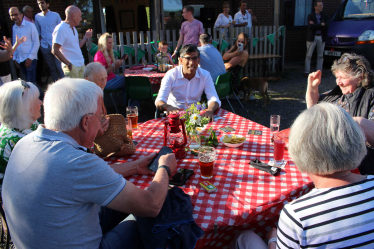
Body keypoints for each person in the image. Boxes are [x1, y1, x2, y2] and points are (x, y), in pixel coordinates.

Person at [2, 78, 177, 248]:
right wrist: (164, 168)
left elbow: (88, 177)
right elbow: (150, 205)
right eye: (100, 117)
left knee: (121, 197)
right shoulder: (77, 162)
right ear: (86, 122)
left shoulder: (24, 142)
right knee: (144, 220)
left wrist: (135, 166)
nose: (102, 122)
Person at [230, 102, 373, 249]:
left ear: (300, 151)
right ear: (356, 139)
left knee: (244, 237)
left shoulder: (297, 215)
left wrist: (273, 240)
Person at [306, 53, 374, 174]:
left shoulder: (370, 96)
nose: (338, 82)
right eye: (337, 77)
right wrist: (312, 87)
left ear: (360, 76)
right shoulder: (338, 93)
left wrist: (356, 122)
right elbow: (313, 110)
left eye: (342, 77)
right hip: (329, 159)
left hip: (358, 167)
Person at [155, 44, 221, 120]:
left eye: (194, 58)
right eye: (188, 58)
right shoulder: (171, 75)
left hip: (196, 117)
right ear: (181, 60)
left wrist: (209, 110)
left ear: (198, 60)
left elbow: (213, 98)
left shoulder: (205, 75)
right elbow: (159, 100)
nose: (192, 62)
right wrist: (168, 107)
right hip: (174, 116)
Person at [0, 80, 42, 188]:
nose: (41, 102)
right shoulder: (16, 140)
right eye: (36, 100)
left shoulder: (26, 124)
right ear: (25, 108)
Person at [52, 6, 92, 78]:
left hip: (80, 64)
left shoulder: (73, 28)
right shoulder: (60, 29)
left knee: (83, 88)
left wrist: (85, 38)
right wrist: (69, 64)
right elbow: (54, 50)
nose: (81, 19)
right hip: (72, 66)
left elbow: (76, 46)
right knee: (75, 89)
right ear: (73, 16)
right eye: (79, 16)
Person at [9, 7, 40, 85]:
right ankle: (40, 96)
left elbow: (36, 42)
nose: (14, 17)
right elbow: (15, 43)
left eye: (16, 14)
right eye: (11, 15)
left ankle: (39, 96)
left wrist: (30, 58)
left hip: (30, 59)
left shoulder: (30, 25)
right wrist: (15, 58)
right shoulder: (14, 27)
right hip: (20, 60)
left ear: (21, 15)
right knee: (29, 83)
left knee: (31, 83)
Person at [35, 0, 64, 82]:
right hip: (44, 45)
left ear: (47, 4)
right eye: (39, 3)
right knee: (52, 67)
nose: (41, 5)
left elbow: (61, 30)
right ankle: (56, 84)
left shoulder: (55, 15)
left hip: (56, 45)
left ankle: (65, 84)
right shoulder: (37, 17)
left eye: (42, 3)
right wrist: (40, 45)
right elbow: (38, 32)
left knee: (59, 66)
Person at [94, 33, 126, 102]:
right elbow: (102, 73)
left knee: (127, 79)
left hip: (111, 78)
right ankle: (130, 105)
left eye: (111, 43)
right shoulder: (99, 55)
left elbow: (112, 70)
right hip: (105, 82)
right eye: (109, 43)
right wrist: (113, 65)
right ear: (103, 44)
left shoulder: (107, 53)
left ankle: (128, 104)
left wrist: (118, 63)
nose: (111, 45)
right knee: (128, 81)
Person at [304, 0, 329, 78]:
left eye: (322, 5)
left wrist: (316, 25)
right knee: (309, 55)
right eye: (319, 5)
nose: (321, 7)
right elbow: (311, 26)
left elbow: (326, 27)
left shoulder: (325, 16)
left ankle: (319, 72)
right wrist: (320, 25)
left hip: (321, 37)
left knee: (320, 56)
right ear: (315, 7)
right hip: (312, 37)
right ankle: (307, 71)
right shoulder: (310, 16)